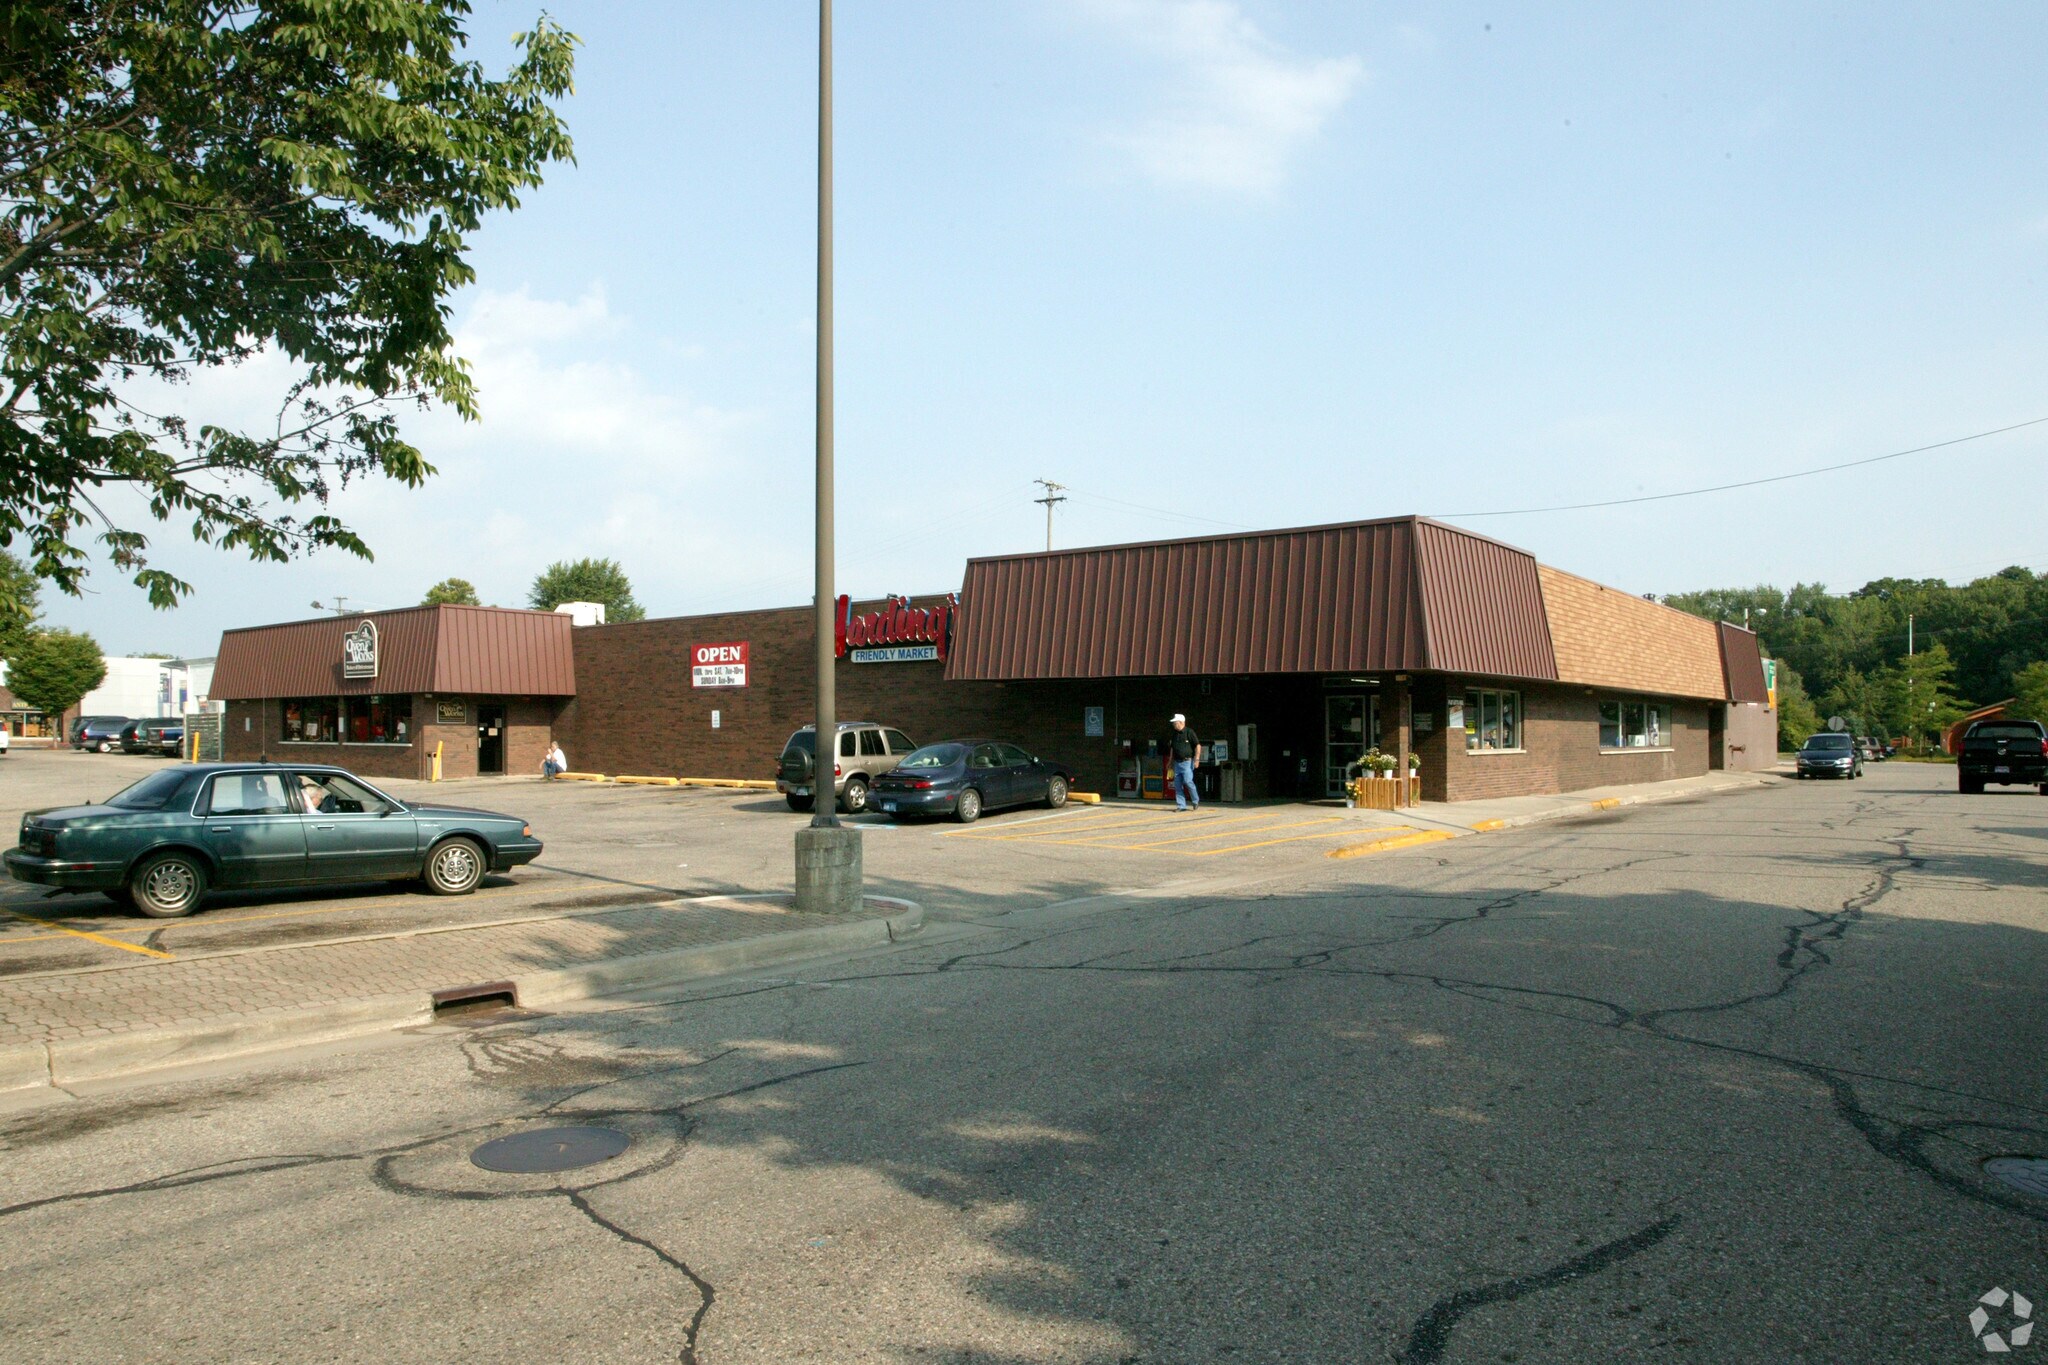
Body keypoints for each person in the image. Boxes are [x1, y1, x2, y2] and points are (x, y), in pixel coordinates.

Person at [1164, 712, 1203, 811]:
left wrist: (1197, 759)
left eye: (1175, 722)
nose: (1173, 724)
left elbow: (1198, 745)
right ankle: (1181, 806)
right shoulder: (1174, 734)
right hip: (1177, 763)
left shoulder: (1189, 732)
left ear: (1181, 722)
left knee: (1188, 781)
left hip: (1187, 762)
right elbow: (1172, 748)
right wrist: (1170, 761)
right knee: (1177, 785)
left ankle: (1195, 800)